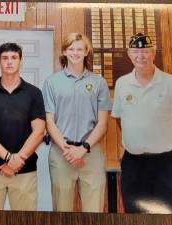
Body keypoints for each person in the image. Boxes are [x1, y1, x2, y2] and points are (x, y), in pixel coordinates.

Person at [111, 33, 172, 213]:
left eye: (145, 51)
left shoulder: (171, 83)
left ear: (153, 53)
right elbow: (119, 119)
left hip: (168, 162)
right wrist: (134, 140)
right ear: (129, 54)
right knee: (135, 211)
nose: (140, 56)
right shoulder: (122, 83)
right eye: (135, 51)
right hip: (134, 162)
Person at [42, 33, 112, 212]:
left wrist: (83, 149)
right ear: (64, 51)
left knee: (94, 211)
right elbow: (49, 121)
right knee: (62, 210)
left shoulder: (99, 82)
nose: (75, 53)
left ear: (86, 52)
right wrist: (68, 150)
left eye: (79, 49)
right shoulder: (51, 82)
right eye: (71, 48)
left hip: (91, 152)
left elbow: (103, 123)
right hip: (61, 153)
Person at [0, 42, 45, 210]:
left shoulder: (34, 93)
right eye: (5, 58)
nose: (9, 62)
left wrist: (17, 160)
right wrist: (9, 158)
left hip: (25, 170)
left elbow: (39, 131)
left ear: (21, 61)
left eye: (14, 57)